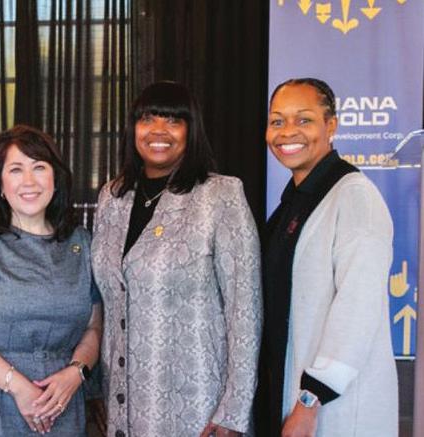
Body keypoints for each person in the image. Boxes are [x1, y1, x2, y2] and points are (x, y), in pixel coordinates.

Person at [91, 81, 262, 437]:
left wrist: (234, 412)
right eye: (148, 119)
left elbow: (245, 311)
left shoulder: (221, 195)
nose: (158, 130)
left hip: (199, 404)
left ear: (191, 130)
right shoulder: (112, 196)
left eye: (173, 120)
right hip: (124, 404)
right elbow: (107, 300)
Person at [255, 78, 398, 437]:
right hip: (287, 395)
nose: (288, 131)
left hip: (329, 406)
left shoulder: (355, 197)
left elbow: (358, 308)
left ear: (330, 126)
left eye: (304, 120)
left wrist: (310, 399)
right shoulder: (294, 203)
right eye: (277, 121)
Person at [0, 125, 102, 436]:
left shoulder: (82, 243)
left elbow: (95, 327)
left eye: (39, 167)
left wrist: (76, 373)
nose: (29, 181)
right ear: (0, 184)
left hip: (61, 404)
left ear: (55, 178)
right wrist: (19, 387)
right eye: (15, 170)